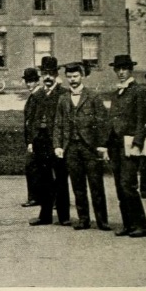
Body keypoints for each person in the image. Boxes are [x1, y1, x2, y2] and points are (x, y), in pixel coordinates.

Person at [52, 62, 111, 230]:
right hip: (71, 148)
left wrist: (102, 145)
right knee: (78, 186)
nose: (72, 80)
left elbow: (103, 123)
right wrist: (58, 145)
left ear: (82, 76)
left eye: (75, 76)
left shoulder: (93, 97)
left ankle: (102, 221)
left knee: (96, 185)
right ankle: (83, 219)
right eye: (69, 77)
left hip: (90, 148)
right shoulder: (63, 99)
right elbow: (58, 124)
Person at [105, 54, 146, 238]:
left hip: (130, 145)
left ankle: (141, 226)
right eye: (118, 69)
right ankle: (128, 224)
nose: (121, 72)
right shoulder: (117, 93)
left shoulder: (139, 91)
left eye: (124, 68)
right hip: (116, 146)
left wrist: (138, 143)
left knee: (128, 185)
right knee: (119, 186)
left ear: (130, 70)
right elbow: (111, 121)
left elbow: (143, 120)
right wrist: (107, 146)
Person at [28, 56, 71, 226]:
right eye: (44, 73)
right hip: (41, 142)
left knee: (61, 178)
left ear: (56, 74)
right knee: (44, 179)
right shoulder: (37, 95)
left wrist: (62, 142)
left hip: (57, 141)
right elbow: (32, 120)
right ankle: (45, 215)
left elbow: (67, 120)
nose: (47, 77)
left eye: (51, 73)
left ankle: (64, 216)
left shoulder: (63, 93)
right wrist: (31, 140)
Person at [21, 67, 42, 208]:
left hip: (38, 139)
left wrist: (32, 142)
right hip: (32, 139)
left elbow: (37, 121)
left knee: (34, 167)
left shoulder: (39, 97)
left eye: (32, 81)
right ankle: (36, 197)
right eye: (27, 81)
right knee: (33, 168)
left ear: (37, 81)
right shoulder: (33, 96)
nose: (29, 84)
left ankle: (36, 198)